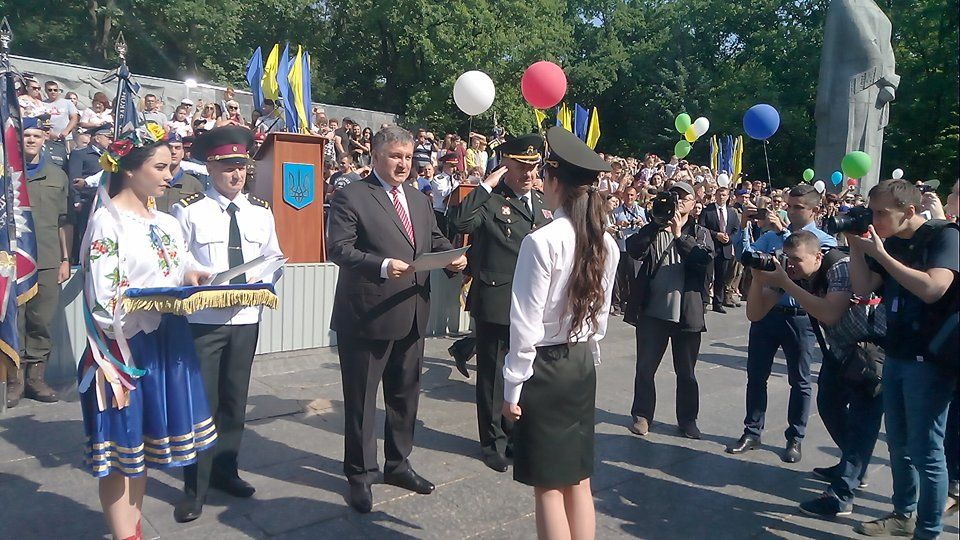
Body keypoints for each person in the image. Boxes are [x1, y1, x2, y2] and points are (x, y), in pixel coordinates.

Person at [79, 122, 215, 540]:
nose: (170, 175)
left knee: (139, 455)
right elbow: (103, 300)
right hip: (123, 351)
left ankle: (133, 531)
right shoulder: (108, 222)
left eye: (171, 166)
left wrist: (196, 275)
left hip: (165, 343)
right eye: (160, 167)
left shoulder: (167, 221)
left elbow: (180, 264)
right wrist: (159, 301)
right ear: (129, 168)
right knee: (120, 456)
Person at [326, 126, 467, 513]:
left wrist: (452, 258)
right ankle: (360, 473)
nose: (404, 164)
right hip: (367, 315)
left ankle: (398, 464)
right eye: (395, 156)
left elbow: (433, 240)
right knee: (362, 401)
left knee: (405, 396)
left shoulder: (419, 199)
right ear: (375, 156)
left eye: (408, 157)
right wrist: (384, 266)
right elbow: (338, 249)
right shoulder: (352, 195)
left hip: (413, 312)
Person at [501, 126, 618, 540]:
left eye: (544, 176)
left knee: (549, 486)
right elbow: (600, 317)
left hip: (546, 369)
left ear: (554, 181)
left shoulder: (541, 241)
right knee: (578, 479)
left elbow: (525, 324)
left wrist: (512, 387)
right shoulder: (606, 242)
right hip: (581, 363)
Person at [170, 126, 283, 523]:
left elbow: (274, 256)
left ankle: (226, 471)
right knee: (203, 404)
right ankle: (195, 487)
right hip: (204, 319)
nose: (236, 174)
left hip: (246, 317)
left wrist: (262, 280)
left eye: (241, 167)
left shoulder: (260, 211)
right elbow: (177, 258)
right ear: (210, 167)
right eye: (228, 167)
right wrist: (194, 273)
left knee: (235, 399)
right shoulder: (189, 209)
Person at [846, 180, 959, 539]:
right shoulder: (891, 241)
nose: (875, 219)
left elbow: (933, 289)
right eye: (872, 212)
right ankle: (902, 514)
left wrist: (882, 256)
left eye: (882, 213)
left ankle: (928, 530)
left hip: (931, 359)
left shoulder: (944, 237)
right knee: (898, 444)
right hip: (896, 352)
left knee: (927, 450)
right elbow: (862, 288)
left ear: (909, 211)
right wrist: (855, 247)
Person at [746, 231, 885, 518]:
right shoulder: (793, 274)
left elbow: (830, 313)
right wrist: (759, 279)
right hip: (842, 353)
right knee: (829, 405)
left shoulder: (840, 267)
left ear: (818, 256)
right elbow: (755, 314)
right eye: (787, 258)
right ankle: (852, 464)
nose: (791, 265)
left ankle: (842, 493)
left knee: (863, 421)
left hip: (871, 355)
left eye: (797, 260)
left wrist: (786, 283)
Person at [448, 134, 550, 472]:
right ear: (506, 165)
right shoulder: (491, 201)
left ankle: (516, 436)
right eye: (521, 166)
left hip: (533, 304)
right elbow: (458, 222)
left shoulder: (541, 203)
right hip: (497, 299)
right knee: (493, 377)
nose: (528, 173)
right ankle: (493, 442)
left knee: (524, 374)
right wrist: (486, 185)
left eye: (533, 167)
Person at [727, 183, 836, 463]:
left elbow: (809, 266)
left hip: (801, 317)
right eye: (789, 206)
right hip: (767, 312)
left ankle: (795, 437)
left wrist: (784, 233)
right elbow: (745, 256)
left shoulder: (824, 242)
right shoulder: (771, 235)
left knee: (800, 380)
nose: (792, 211)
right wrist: (744, 226)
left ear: (814, 210)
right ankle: (752, 431)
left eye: (798, 207)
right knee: (756, 376)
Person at [625, 182, 714, 439]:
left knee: (686, 372)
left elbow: (702, 261)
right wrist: (655, 224)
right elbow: (633, 249)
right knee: (645, 368)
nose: (678, 200)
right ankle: (642, 415)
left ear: (693, 204)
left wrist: (678, 235)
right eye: (674, 195)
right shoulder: (655, 228)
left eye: (684, 197)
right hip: (653, 312)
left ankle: (688, 420)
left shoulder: (700, 232)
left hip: (687, 313)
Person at [4, 117, 70, 408]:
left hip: (47, 259)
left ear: (45, 139)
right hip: (11, 261)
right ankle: (15, 380)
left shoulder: (57, 176)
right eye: (26, 135)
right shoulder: (6, 174)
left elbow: (64, 221)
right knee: (14, 320)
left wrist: (65, 259)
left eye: (36, 135)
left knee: (41, 320)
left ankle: (36, 377)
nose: (31, 140)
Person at [699, 186, 741, 313]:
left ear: (728, 197)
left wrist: (729, 238)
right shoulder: (708, 210)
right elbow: (702, 227)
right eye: (719, 195)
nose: (721, 197)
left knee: (721, 277)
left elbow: (736, 230)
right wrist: (716, 235)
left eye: (724, 195)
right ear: (715, 196)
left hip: (725, 248)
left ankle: (718, 303)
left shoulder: (732, 212)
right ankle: (704, 302)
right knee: (707, 276)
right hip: (710, 247)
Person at [610, 187, 646, 315]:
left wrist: (641, 223)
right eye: (627, 195)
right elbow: (611, 228)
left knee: (634, 278)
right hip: (621, 247)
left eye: (631, 195)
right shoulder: (616, 212)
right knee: (620, 278)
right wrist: (619, 225)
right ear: (623, 196)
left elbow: (648, 229)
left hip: (635, 249)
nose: (629, 197)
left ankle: (632, 305)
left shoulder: (641, 211)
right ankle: (618, 304)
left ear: (636, 196)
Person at [152, 134, 203, 213]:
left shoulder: (194, 185)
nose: (173, 152)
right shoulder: (152, 182)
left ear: (183, 153)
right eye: (169, 147)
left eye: (177, 148)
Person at [429, 153, 460, 236]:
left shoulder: (456, 180)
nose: (454, 169)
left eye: (455, 166)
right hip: (440, 213)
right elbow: (443, 193)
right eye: (452, 166)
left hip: (452, 213)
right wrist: (457, 188)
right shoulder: (438, 179)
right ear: (445, 165)